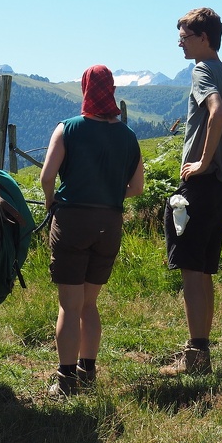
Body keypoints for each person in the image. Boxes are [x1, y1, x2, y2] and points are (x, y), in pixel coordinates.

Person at [40, 64, 145, 397]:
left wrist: (50, 202)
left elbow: (46, 178)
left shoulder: (68, 128)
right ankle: (88, 370)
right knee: (89, 304)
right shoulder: (128, 137)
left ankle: (65, 379)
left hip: (72, 221)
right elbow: (138, 187)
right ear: (111, 91)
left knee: (69, 306)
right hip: (109, 224)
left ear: (86, 89)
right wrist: (111, 196)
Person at [161, 7, 222, 376]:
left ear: (202, 38)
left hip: (199, 187)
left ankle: (195, 358)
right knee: (203, 273)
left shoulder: (203, 71)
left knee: (190, 272)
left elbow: (215, 113)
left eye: (183, 36)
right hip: (221, 190)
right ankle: (201, 352)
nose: (179, 43)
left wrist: (200, 162)